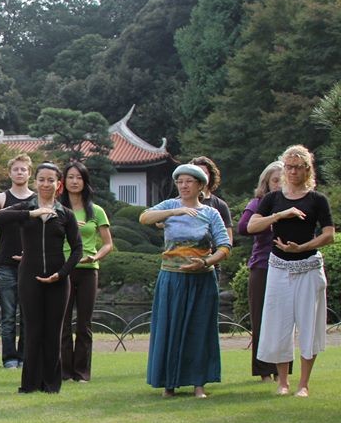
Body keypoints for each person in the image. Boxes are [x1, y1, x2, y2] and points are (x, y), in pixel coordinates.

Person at [248, 145, 334, 397]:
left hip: (308, 267)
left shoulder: (317, 199)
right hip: (279, 267)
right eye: (289, 167)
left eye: (297, 167)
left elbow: (329, 234)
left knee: (309, 325)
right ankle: (283, 382)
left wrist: (303, 247)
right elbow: (252, 226)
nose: (293, 172)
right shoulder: (273, 199)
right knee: (278, 324)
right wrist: (279, 215)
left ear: (307, 169)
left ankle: (303, 384)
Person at [139, 164, 231, 398]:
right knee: (170, 328)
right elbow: (144, 217)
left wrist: (207, 262)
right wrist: (175, 212)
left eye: (189, 181)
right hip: (172, 278)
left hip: (202, 280)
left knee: (199, 329)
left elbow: (224, 246)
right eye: (180, 182)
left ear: (200, 185)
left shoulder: (211, 213)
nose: (183, 186)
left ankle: (198, 383)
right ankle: (168, 383)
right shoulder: (169, 205)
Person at [0, 162, 82, 394]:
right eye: (41, 179)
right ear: (35, 182)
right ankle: (30, 384)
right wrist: (31, 214)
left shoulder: (65, 214)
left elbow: (77, 249)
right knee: (32, 331)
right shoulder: (26, 207)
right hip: (29, 278)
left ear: (58, 184)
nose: (45, 184)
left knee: (53, 333)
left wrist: (61, 274)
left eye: (50, 180)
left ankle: (51, 384)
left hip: (58, 280)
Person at [0, 154, 36, 369]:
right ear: (10, 173)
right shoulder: (0, 197)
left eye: (23, 169)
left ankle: (25, 356)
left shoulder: (37, 199)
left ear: (29, 173)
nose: (20, 172)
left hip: (31, 264)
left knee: (29, 315)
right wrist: (17, 210)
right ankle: (9, 358)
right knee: (9, 316)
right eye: (16, 169)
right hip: (6, 264)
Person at [59, 161, 113, 382]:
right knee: (62, 322)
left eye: (79, 177)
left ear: (85, 181)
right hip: (63, 270)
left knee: (84, 323)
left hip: (88, 270)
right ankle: (63, 371)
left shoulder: (96, 211)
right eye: (70, 177)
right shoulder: (57, 209)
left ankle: (81, 372)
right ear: (63, 181)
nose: (74, 181)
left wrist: (95, 257)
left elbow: (108, 244)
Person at [237, 161, 291, 382]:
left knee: (284, 321)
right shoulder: (258, 203)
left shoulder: (296, 203)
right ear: (266, 183)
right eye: (275, 180)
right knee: (261, 319)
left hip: (288, 266)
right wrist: (272, 219)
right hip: (263, 266)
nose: (279, 184)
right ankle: (263, 371)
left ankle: (282, 371)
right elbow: (243, 227)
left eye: (282, 180)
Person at [191, 156, 234, 245]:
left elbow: (227, 239)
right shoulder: (178, 202)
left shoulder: (220, 205)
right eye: (196, 173)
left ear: (211, 176)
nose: (200, 177)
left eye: (204, 173)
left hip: (213, 252)